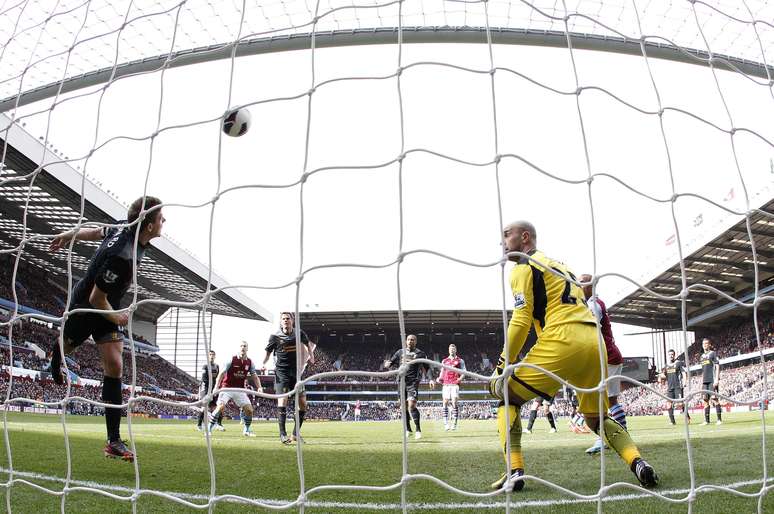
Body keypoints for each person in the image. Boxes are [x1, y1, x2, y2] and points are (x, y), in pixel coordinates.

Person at [488, 220, 658, 491]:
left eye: (506, 235)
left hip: (561, 340)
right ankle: (637, 461)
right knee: (596, 418)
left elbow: (520, 320)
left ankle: (514, 470)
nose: (502, 241)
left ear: (525, 237)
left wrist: (501, 364)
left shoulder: (523, 267)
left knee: (505, 395)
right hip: (593, 342)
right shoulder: (562, 266)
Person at [48, 196, 165, 462]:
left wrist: (67, 235)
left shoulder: (125, 227)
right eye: (160, 218)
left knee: (115, 366)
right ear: (148, 225)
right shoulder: (122, 255)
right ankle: (57, 352)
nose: (164, 222)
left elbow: (92, 231)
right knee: (65, 348)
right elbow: (95, 300)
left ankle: (113, 441)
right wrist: (119, 318)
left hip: (106, 304)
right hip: (87, 306)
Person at [581, 275, 627, 455]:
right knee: (608, 399)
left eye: (580, 283)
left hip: (607, 356)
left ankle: (611, 437)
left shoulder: (593, 305)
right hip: (608, 356)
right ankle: (617, 436)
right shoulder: (594, 303)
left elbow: (589, 329)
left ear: (588, 286)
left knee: (604, 400)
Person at [264, 312, 315, 444]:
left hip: (296, 373)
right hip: (282, 373)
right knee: (283, 401)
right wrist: (263, 364)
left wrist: (311, 356)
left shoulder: (299, 333)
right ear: (281, 322)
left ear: (292, 321)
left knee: (303, 404)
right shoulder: (275, 336)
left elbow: (307, 344)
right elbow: (268, 354)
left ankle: (295, 434)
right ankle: (283, 434)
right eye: (283, 319)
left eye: (288, 318)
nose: (286, 321)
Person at [384, 334, 435, 440]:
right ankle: (408, 429)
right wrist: (387, 364)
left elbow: (428, 367)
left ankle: (418, 429)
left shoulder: (420, 354)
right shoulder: (400, 352)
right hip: (401, 381)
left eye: (412, 340)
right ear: (406, 341)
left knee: (411, 405)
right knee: (403, 407)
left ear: (415, 342)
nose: (410, 341)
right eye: (408, 339)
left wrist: (430, 379)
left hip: (413, 382)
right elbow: (391, 362)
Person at [209, 341, 263, 436]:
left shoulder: (250, 362)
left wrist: (259, 387)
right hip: (227, 388)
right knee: (220, 407)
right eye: (241, 346)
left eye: (245, 346)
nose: (243, 347)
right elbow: (221, 374)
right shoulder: (232, 359)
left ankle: (246, 430)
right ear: (239, 348)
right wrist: (216, 387)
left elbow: (255, 376)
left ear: (247, 348)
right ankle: (209, 428)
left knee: (249, 410)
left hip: (240, 390)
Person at [437, 344, 465, 431]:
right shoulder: (444, 361)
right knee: (445, 402)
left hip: (454, 384)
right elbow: (442, 371)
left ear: (456, 350)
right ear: (448, 350)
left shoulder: (460, 361)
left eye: (453, 349)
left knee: (454, 402)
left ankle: (454, 423)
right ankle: (445, 423)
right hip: (446, 384)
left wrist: (459, 379)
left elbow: (464, 372)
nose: (452, 350)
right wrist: (439, 378)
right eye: (450, 349)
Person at [196, 350, 224, 431]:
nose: (211, 356)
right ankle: (199, 425)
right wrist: (209, 391)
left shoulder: (217, 366)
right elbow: (204, 379)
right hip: (206, 389)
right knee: (204, 407)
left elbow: (218, 378)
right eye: (210, 354)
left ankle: (219, 424)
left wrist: (217, 387)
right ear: (208, 356)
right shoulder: (205, 366)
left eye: (213, 355)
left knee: (219, 406)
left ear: (215, 356)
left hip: (214, 389)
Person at [662, 349, 690, 425]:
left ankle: (687, 417)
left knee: (680, 404)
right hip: (670, 388)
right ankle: (672, 422)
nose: (671, 356)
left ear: (674, 355)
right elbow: (664, 376)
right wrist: (661, 379)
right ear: (668, 356)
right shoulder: (666, 366)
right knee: (669, 404)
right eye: (669, 354)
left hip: (677, 387)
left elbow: (684, 373)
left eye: (672, 354)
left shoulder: (678, 363)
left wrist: (684, 382)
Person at [700, 338, 722, 425]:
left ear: (709, 345)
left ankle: (719, 420)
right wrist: (701, 381)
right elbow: (703, 370)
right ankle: (707, 421)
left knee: (714, 399)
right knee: (705, 400)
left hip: (712, 380)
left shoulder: (712, 353)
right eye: (703, 344)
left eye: (706, 343)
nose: (705, 345)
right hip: (705, 381)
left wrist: (716, 379)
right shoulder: (701, 357)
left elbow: (717, 365)